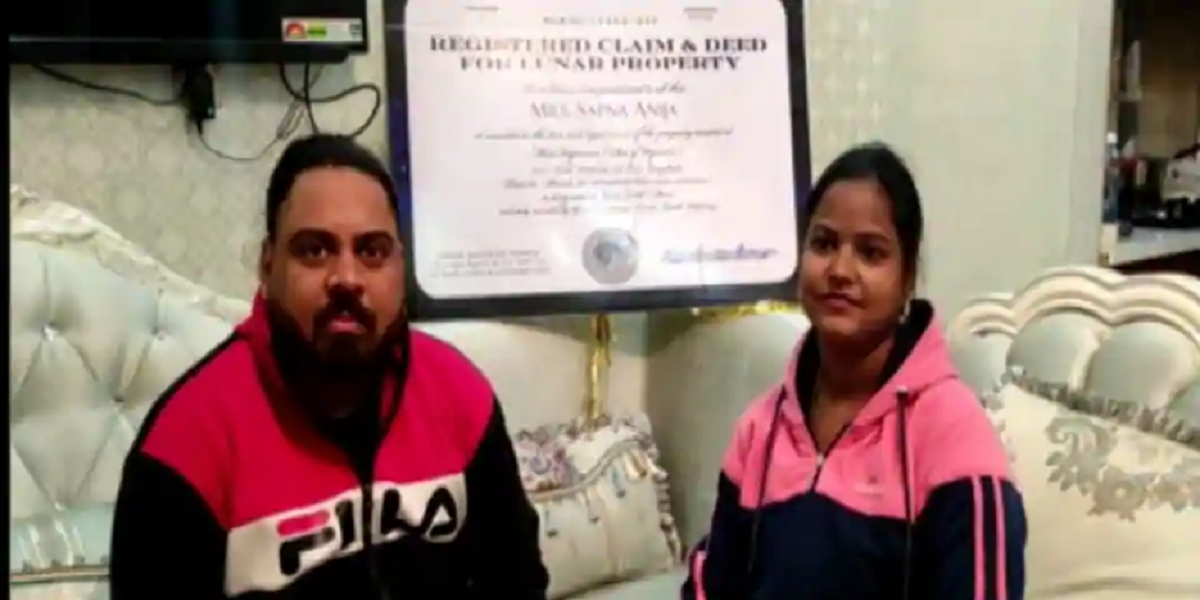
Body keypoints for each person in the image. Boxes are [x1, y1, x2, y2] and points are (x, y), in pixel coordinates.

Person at [109, 134, 550, 599]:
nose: (347, 278)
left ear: (401, 268)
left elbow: (517, 582)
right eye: (315, 250)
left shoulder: (459, 394)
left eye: (372, 251)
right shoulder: (186, 442)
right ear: (267, 266)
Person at [681, 143, 1027, 599]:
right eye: (824, 244)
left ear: (907, 278)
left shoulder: (955, 440)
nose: (840, 270)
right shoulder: (759, 430)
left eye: (870, 252)